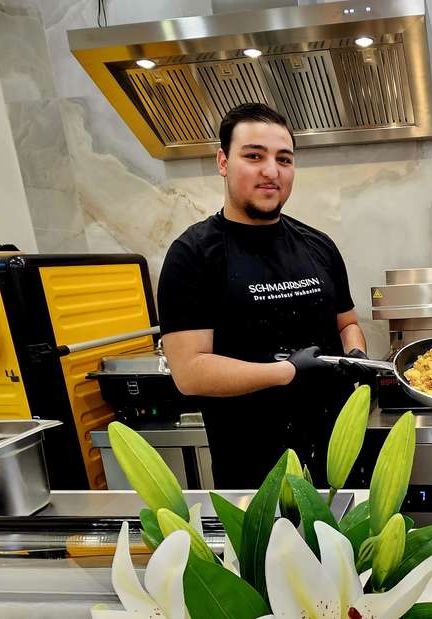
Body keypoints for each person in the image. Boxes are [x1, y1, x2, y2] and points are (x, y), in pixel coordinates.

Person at [156, 103, 369, 489]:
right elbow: (189, 372)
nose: (271, 171)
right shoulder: (193, 254)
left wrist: (355, 354)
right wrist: (287, 372)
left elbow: (348, 322)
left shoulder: (318, 245)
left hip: (338, 461)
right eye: (254, 156)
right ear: (223, 161)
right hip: (252, 475)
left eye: (283, 159)